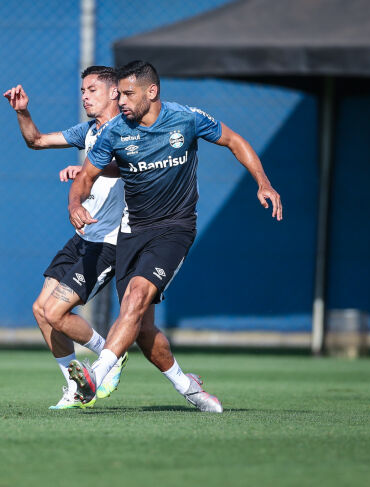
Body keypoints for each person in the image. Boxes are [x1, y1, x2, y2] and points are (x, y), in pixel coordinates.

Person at [67, 60, 283, 413]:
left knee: (135, 298)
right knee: (140, 328)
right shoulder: (115, 132)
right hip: (131, 232)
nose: (120, 101)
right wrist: (75, 204)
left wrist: (263, 182)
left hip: (174, 228)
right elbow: (85, 177)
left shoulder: (186, 119)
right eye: (118, 94)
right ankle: (190, 389)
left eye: (127, 94)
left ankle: (96, 373)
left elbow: (234, 140)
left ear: (152, 92)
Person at [3, 66, 130, 409]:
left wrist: (89, 169)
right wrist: (23, 112)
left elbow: (128, 166)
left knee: (56, 313)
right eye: (83, 90)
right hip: (85, 235)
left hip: (110, 242)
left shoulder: (130, 131)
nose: (85, 96)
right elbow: (37, 140)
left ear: (114, 92)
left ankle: (110, 354)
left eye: (92, 90)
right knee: (40, 310)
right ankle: (76, 386)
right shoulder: (89, 131)